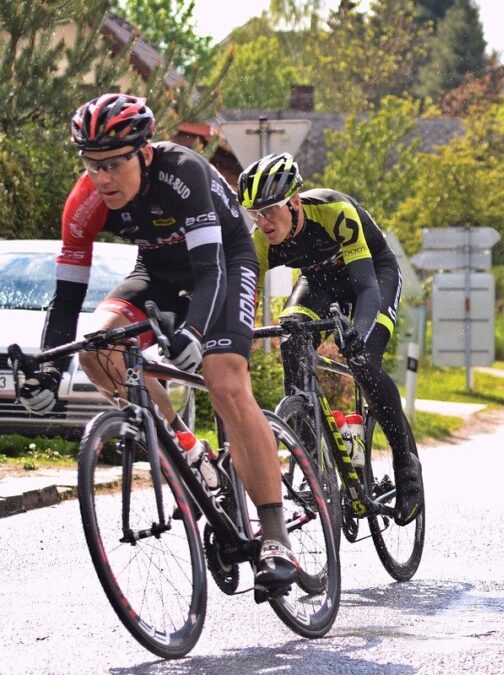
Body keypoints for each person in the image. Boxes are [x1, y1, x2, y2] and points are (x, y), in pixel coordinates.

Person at [19, 93, 299, 594]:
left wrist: (192, 332)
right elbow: (66, 299)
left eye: (112, 164)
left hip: (224, 264)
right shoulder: (83, 204)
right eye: (91, 164)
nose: (101, 178)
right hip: (157, 271)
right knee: (97, 347)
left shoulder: (182, 171)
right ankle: (189, 451)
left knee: (224, 380)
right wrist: (46, 373)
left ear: (143, 153)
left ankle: (275, 535)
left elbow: (211, 269)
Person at [238, 152, 423, 526]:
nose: (263, 222)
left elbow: (368, 287)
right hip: (320, 282)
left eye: (270, 210)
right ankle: (310, 457)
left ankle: (406, 465)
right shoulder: (262, 241)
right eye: (254, 214)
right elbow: (245, 295)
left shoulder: (333, 210)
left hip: (372, 275)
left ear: (293, 202)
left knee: (363, 360)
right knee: (291, 330)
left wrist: (359, 331)